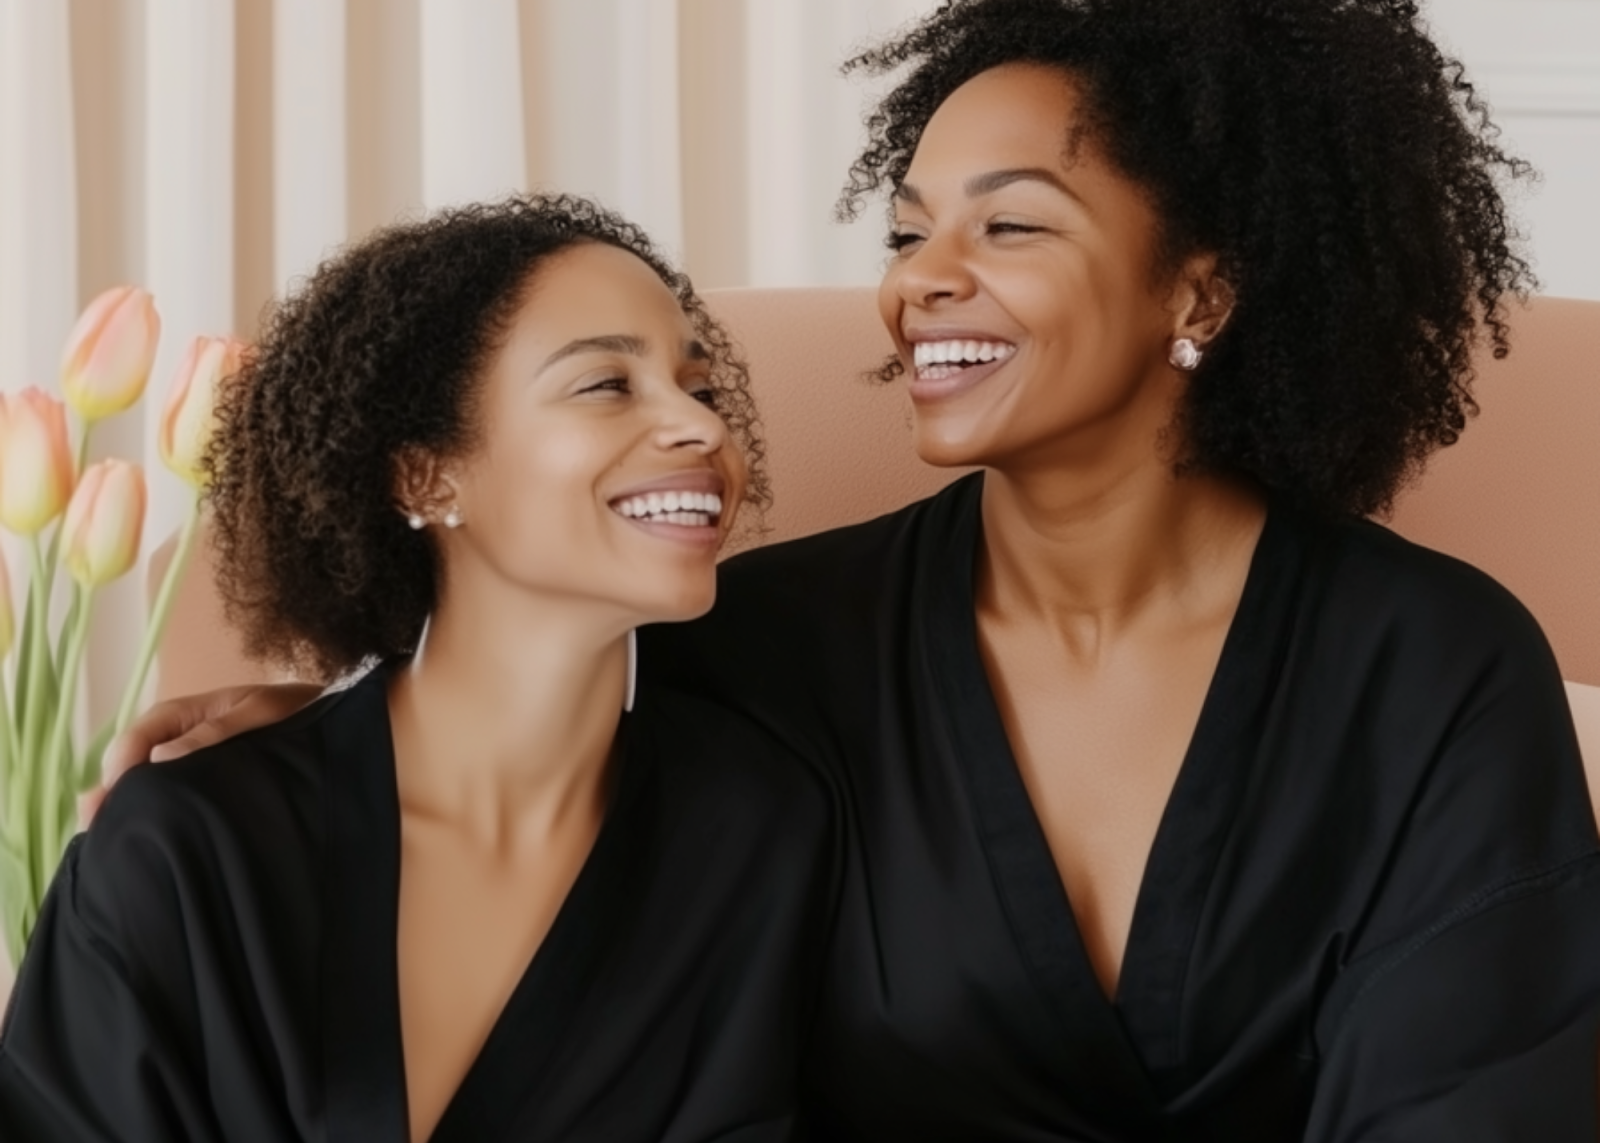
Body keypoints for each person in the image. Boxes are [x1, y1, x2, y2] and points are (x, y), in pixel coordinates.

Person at [97, 0, 1600, 1139]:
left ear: (1197, 286)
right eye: (904, 227)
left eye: (1007, 222)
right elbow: (509, 814)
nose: (920, 276)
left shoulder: (1440, 673)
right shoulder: (759, 651)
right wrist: (314, 734)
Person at [0, 195, 838, 1142]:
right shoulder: (189, 850)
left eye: (703, 389)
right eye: (607, 383)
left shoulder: (762, 839)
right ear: (426, 477)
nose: (698, 427)